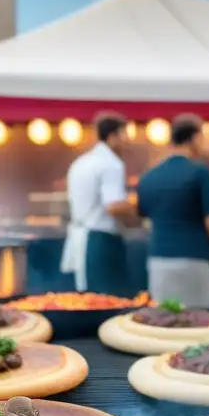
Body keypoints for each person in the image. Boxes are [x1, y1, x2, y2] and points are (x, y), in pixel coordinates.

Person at [136, 114, 209, 310]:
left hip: (158, 260)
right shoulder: (199, 172)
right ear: (194, 138)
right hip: (194, 260)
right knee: (198, 323)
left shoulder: (149, 176)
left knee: (165, 319)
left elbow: (143, 216)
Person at [60, 112, 135, 296]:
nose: (127, 140)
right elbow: (113, 206)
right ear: (112, 136)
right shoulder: (111, 164)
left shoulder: (81, 162)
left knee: (87, 301)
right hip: (102, 241)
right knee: (111, 301)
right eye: (124, 134)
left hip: (83, 238)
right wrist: (137, 208)